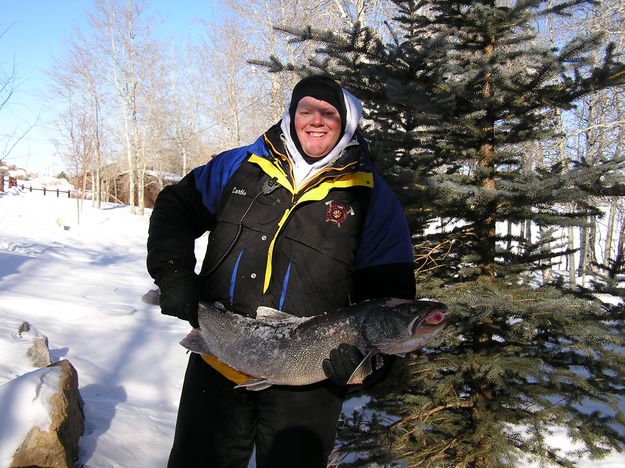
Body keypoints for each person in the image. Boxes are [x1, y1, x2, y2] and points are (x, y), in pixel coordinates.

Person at [147, 75, 416, 468]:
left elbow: (391, 296)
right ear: (292, 115)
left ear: (347, 122)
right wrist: (173, 273)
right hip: (220, 357)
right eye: (306, 110)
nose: (316, 120)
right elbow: (175, 206)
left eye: (329, 113)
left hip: (308, 380)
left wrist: (371, 361)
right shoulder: (240, 166)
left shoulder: (371, 196)